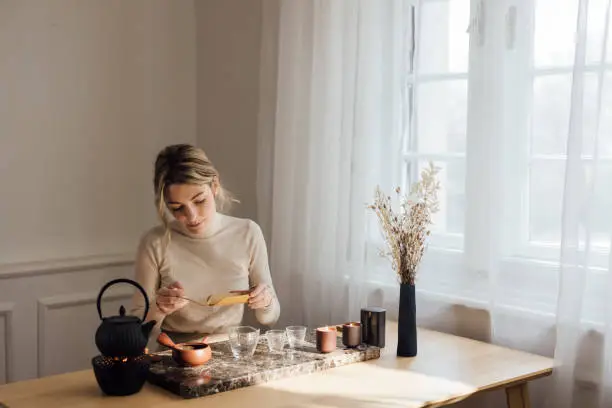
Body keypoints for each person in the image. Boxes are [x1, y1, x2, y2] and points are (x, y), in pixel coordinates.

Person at [130, 144, 280, 345]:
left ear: (215, 185)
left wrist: (265, 301)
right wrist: (159, 308)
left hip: (232, 351)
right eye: (177, 208)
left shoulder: (247, 233)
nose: (191, 216)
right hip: (175, 354)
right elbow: (137, 332)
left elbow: (269, 317)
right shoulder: (154, 242)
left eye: (199, 201)